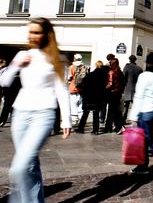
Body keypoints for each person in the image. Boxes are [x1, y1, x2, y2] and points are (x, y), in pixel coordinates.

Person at [0, 18, 71, 203]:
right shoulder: (22, 55)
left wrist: (66, 120)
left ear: (46, 34)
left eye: (37, 32)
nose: (32, 36)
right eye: (30, 31)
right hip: (20, 113)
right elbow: (4, 81)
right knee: (29, 164)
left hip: (44, 113)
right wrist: (16, 65)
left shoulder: (58, 58)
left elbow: (61, 90)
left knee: (19, 166)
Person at [76, 61, 106, 134]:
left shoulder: (90, 75)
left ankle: (81, 128)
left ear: (95, 66)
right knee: (96, 114)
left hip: (89, 97)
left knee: (85, 113)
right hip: (98, 97)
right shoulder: (104, 76)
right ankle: (95, 130)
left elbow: (83, 85)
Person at [104, 58, 125, 134]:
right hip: (118, 93)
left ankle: (118, 127)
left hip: (112, 93)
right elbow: (123, 82)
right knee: (113, 110)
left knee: (112, 111)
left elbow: (110, 84)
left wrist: (104, 88)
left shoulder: (111, 72)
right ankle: (109, 127)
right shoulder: (120, 72)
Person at [67, 54, 88, 124]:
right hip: (82, 89)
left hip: (73, 89)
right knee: (80, 105)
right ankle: (81, 118)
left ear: (74, 59)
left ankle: (74, 119)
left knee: (73, 105)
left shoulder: (71, 67)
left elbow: (69, 77)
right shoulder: (85, 67)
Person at [122, 55, 143, 122]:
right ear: (135, 60)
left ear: (129, 60)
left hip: (127, 89)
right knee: (136, 106)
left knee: (125, 106)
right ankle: (135, 119)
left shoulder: (127, 67)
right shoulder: (139, 69)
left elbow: (123, 78)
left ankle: (123, 120)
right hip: (136, 89)